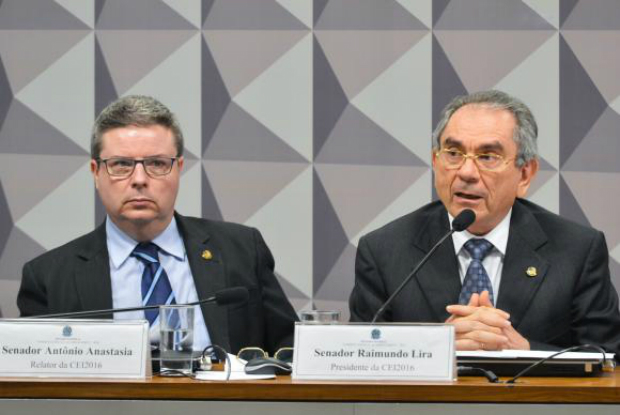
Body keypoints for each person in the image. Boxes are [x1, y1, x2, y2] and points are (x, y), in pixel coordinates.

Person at [17, 95, 298, 354]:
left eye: (157, 163)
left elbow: (290, 353)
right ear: (96, 173)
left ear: (178, 169)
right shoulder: (49, 278)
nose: (139, 179)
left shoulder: (242, 252)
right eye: (122, 164)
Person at [349, 90, 620, 353]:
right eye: (453, 153)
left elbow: (609, 357)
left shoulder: (577, 250)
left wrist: (522, 350)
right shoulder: (384, 251)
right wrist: (437, 348)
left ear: (525, 174)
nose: (466, 172)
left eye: (488, 157)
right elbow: (360, 354)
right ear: (435, 160)